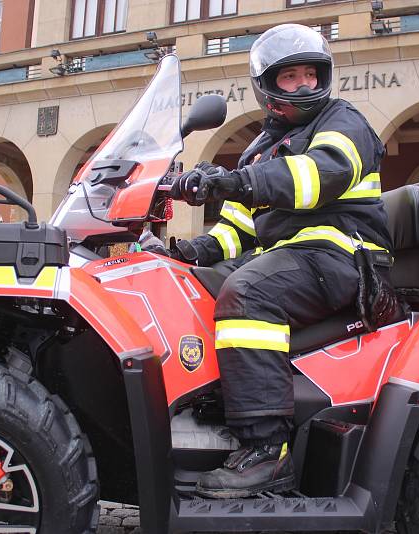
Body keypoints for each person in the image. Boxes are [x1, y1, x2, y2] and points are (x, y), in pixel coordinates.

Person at [168, 24, 400, 498]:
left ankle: (266, 451)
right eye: (290, 77)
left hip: (342, 255)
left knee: (247, 297)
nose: (304, 86)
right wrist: (188, 254)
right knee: (185, 283)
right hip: (295, 257)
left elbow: (318, 176)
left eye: (310, 76)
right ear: (268, 87)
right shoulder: (260, 148)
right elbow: (237, 230)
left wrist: (232, 181)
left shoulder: (343, 122)